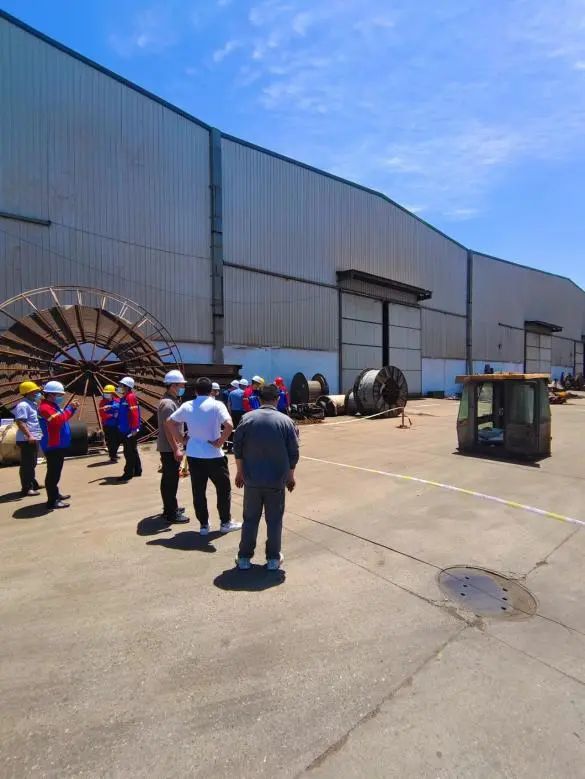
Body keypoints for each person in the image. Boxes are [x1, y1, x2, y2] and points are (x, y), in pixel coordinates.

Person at [234, 383, 299, 571]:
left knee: (250, 519)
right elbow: (293, 453)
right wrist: (291, 476)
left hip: (252, 480)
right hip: (276, 481)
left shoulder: (247, 418)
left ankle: (244, 558)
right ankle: (273, 559)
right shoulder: (286, 421)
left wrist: (239, 472)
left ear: (259, 399)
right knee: (274, 520)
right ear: (277, 399)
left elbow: (238, 448)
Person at [167, 377, 241, 535]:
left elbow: (169, 422)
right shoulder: (217, 405)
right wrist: (220, 442)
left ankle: (204, 525)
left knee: (198, 491)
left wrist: (181, 440)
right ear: (211, 391)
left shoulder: (187, 405)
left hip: (194, 455)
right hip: (214, 455)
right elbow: (229, 425)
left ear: (195, 391)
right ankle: (225, 522)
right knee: (223, 489)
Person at [38, 381, 78, 510]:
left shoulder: (53, 406)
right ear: (51, 394)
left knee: (56, 472)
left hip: (58, 445)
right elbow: (57, 420)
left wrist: (72, 409)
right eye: (59, 395)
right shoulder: (45, 408)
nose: (61, 397)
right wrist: (70, 408)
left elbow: (63, 417)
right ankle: (52, 501)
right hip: (53, 446)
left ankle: (55, 494)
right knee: (53, 474)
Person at [157, 369, 189, 525]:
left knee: (169, 479)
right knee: (170, 481)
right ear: (173, 385)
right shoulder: (168, 404)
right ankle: (171, 513)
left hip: (170, 447)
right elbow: (168, 428)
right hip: (170, 448)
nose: (182, 387)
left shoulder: (171, 401)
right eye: (181, 385)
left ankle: (170, 507)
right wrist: (176, 448)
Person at [13, 380, 43, 497]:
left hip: (33, 438)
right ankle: (26, 488)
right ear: (28, 393)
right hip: (26, 439)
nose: (37, 394)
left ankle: (33, 483)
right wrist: (29, 435)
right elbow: (20, 422)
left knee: (32, 463)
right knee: (27, 464)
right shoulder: (23, 405)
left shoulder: (31, 404)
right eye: (35, 392)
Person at [116, 376, 142, 482]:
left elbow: (134, 414)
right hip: (126, 429)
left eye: (121, 385)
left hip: (129, 430)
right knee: (133, 450)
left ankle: (128, 473)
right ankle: (137, 470)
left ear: (127, 386)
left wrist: (134, 428)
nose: (119, 387)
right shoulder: (125, 397)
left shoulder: (130, 397)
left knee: (128, 452)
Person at [99, 384, 120, 462]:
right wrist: (112, 415)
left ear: (112, 393)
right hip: (108, 425)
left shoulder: (117, 400)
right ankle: (112, 455)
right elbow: (102, 414)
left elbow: (121, 406)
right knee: (111, 441)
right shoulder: (102, 402)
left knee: (118, 440)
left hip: (117, 425)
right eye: (105, 393)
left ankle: (114, 453)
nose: (106, 394)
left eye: (108, 393)